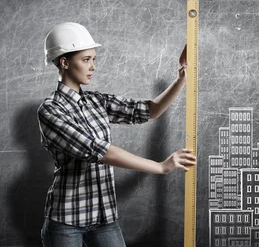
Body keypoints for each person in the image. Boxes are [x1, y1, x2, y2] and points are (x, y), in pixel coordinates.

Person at [37, 22, 196, 247]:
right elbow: (98, 151)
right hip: (66, 221)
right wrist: (160, 166)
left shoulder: (96, 101)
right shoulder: (50, 110)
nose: (93, 66)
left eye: (93, 59)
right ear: (64, 62)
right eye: (86, 59)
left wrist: (181, 79)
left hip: (105, 216)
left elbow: (149, 110)